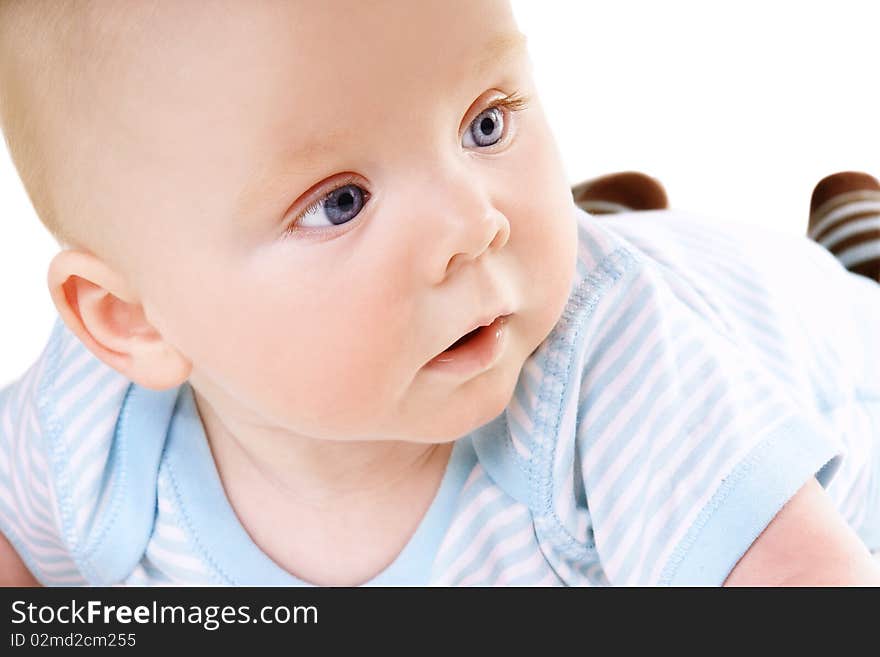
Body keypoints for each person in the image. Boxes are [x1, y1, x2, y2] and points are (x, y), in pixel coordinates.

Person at [1, 0, 878, 587]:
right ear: (132, 321)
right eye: (340, 202)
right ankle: (604, 209)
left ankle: (849, 236)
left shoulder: (619, 382)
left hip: (814, 348)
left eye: (485, 122)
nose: (473, 219)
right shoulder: (90, 433)